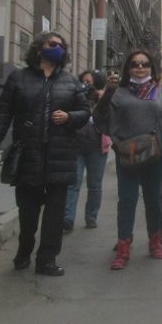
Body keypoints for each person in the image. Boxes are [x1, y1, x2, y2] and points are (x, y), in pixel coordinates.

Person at [0, 31, 89, 276]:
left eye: (61, 45)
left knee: (54, 215)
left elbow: (85, 112)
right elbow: (2, 114)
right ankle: (24, 249)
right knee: (28, 212)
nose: (57, 48)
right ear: (39, 48)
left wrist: (69, 117)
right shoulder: (19, 78)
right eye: (52, 44)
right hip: (28, 156)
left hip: (60, 157)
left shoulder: (70, 81)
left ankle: (47, 259)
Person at [94, 49, 162, 270]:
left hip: (156, 154)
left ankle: (155, 241)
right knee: (127, 201)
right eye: (135, 64)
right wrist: (108, 92)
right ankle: (124, 246)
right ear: (128, 68)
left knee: (154, 200)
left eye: (145, 64)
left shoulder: (161, 94)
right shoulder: (118, 93)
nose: (140, 67)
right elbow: (100, 118)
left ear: (151, 68)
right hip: (127, 154)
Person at [64, 69, 109, 231]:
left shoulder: (103, 98)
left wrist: (103, 99)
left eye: (89, 82)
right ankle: (68, 218)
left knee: (95, 184)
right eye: (83, 82)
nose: (86, 85)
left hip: (97, 146)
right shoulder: (75, 96)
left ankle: (91, 216)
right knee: (73, 182)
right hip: (76, 144)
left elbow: (111, 118)